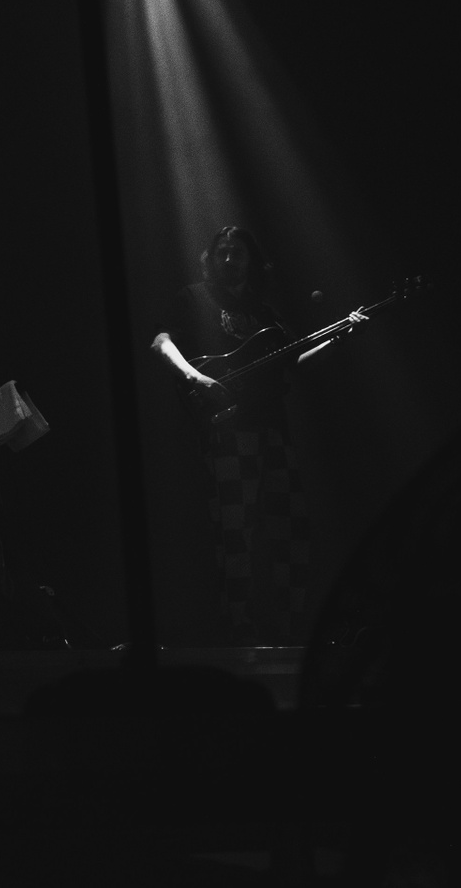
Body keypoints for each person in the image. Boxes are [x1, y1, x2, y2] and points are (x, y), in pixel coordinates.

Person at [149, 226, 359, 645]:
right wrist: (196, 377)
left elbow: (294, 361)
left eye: (238, 253)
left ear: (252, 261)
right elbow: (161, 342)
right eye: (222, 252)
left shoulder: (264, 313)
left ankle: (291, 626)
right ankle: (237, 626)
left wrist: (338, 341)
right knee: (235, 532)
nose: (229, 259)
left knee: (292, 527)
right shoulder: (193, 298)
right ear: (210, 259)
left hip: (272, 428)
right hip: (229, 432)